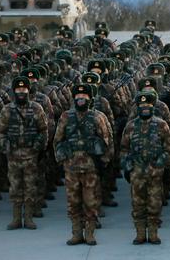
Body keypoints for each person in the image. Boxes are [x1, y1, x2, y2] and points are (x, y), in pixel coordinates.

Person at [53, 83, 112, 245]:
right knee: (73, 202)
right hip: (71, 168)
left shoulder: (98, 117)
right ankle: (77, 233)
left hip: (91, 168)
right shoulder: (66, 116)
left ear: (90, 98)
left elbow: (107, 141)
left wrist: (103, 164)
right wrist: (62, 161)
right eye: (78, 97)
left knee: (91, 202)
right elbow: (58, 140)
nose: (81, 99)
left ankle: (90, 233)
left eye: (84, 96)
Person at [121, 92, 170, 245]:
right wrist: (127, 166)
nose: (145, 108)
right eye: (142, 106)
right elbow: (124, 148)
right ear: (138, 107)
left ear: (152, 107)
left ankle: (153, 233)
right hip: (137, 172)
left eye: (148, 106)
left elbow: (169, 148)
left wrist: (161, 164)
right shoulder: (130, 126)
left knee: (155, 204)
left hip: (155, 172)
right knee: (137, 204)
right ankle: (140, 234)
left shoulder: (161, 125)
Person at [0, 77, 48, 230]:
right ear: (14, 91)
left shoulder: (37, 108)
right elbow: (0, 132)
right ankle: (16, 218)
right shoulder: (7, 110)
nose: (21, 92)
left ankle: (29, 218)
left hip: (31, 155)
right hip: (13, 156)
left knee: (30, 187)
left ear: (28, 90)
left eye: (24, 89)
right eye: (18, 90)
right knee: (15, 187)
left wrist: (38, 147)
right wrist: (5, 147)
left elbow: (43, 131)